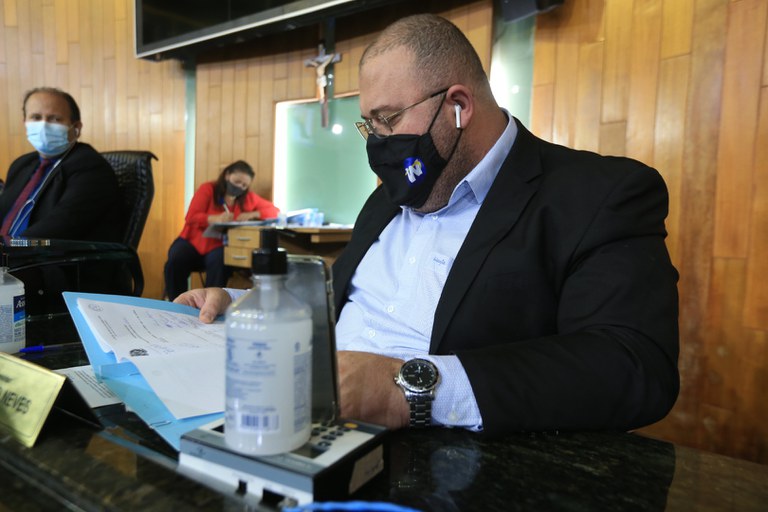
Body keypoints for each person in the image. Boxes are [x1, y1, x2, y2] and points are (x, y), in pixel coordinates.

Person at [176, 14, 679, 436]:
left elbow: (633, 365)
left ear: (458, 106)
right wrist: (250, 306)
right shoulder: (386, 200)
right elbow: (342, 296)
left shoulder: (597, 195)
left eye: (390, 119)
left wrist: (408, 390)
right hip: (297, 417)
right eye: (370, 125)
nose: (378, 143)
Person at [0, 87, 120, 240]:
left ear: (76, 128)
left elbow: (58, 230)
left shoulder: (91, 168)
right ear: (25, 123)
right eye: (36, 117)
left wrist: (12, 248)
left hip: (49, 251)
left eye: (55, 119)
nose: (43, 126)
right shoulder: (21, 164)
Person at [164, 160, 279, 300]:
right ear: (227, 175)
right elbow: (191, 217)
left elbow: (274, 211)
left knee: (220, 261)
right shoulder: (208, 189)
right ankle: (176, 302)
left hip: (217, 246)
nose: (239, 187)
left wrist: (253, 214)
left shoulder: (248, 198)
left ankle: (210, 303)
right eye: (237, 181)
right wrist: (215, 218)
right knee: (176, 259)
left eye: (244, 185)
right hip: (192, 241)